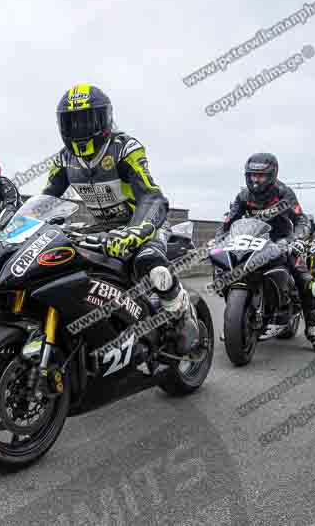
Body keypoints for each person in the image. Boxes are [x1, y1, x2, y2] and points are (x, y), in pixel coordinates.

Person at [41, 84, 200, 355]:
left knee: (149, 262)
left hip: (144, 221)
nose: (79, 129)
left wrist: (135, 233)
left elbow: (152, 197)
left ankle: (180, 310)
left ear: (104, 119)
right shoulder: (63, 160)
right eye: (72, 122)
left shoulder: (125, 148)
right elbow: (46, 201)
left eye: (86, 120)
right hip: (104, 227)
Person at [217, 152, 315, 354]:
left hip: (280, 240)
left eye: (260, 176)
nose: (255, 180)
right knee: (225, 269)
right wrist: (218, 239)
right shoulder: (243, 196)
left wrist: (294, 240)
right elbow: (229, 222)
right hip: (251, 240)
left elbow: (301, 220)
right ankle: (235, 319)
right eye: (251, 176)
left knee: (305, 280)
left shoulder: (284, 193)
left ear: (272, 175)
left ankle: (313, 329)